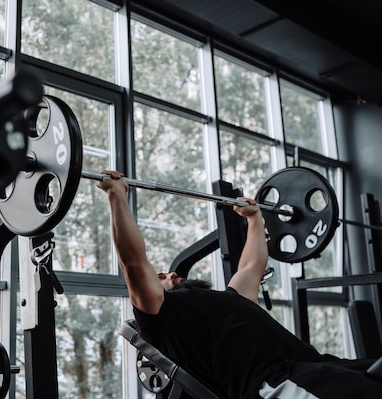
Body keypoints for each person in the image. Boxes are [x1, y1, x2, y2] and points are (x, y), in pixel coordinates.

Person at [96, 170, 382, 399]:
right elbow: (133, 261)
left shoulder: (230, 299)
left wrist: (255, 219)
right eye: (160, 277)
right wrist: (117, 195)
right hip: (275, 385)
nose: (169, 274)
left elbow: (250, 267)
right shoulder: (161, 323)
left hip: (319, 367)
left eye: (168, 273)